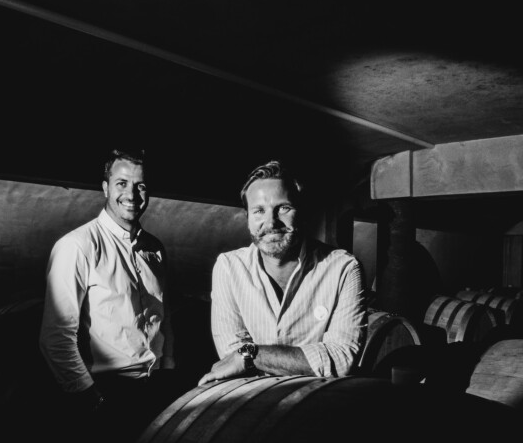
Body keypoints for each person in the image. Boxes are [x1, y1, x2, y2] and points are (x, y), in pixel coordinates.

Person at [198, 160, 366, 385]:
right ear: (247, 218)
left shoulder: (343, 268)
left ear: (302, 212)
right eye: (259, 211)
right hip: (253, 402)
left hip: (320, 403)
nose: (271, 222)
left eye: (284, 208)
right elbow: (231, 355)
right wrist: (308, 360)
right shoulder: (228, 268)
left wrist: (253, 355)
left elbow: (342, 359)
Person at [40, 148, 177, 422]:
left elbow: (165, 318)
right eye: (122, 184)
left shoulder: (154, 247)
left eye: (141, 186)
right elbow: (56, 337)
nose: (132, 194)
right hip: (109, 391)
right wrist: (90, 396)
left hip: (157, 390)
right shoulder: (77, 246)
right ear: (105, 188)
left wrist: (169, 373)